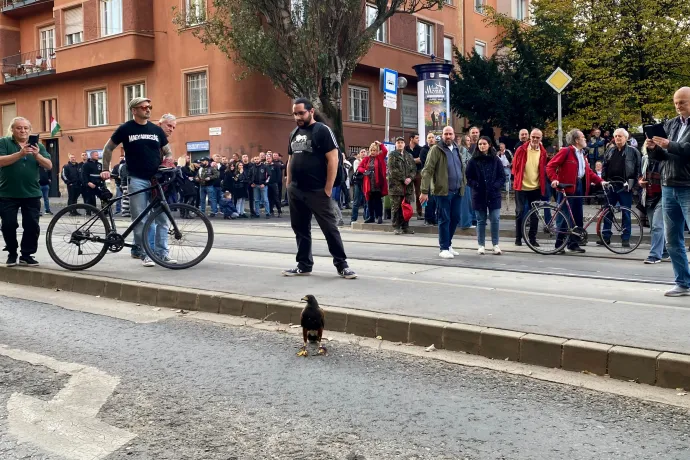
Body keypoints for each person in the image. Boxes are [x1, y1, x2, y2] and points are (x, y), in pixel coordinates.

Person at [282, 98, 356, 279]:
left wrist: (328, 188)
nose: (298, 117)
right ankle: (304, 265)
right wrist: (289, 182)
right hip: (296, 190)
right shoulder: (294, 133)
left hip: (317, 190)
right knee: (300, 228)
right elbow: (290, 159)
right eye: (295, 113)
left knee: (329, 228)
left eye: (301, 113)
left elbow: (333, 159)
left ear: (311, 111)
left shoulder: (322, 131)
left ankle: (342, 265)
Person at [100, 96, 176, 267]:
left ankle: (162, 254)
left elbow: (168, 152)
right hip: (137, 179)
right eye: (143, 107)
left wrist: (168, 160)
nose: (148, 109)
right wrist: (105, 168)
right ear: (134, 110)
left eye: (149, 106)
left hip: (157, 180)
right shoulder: (125, 129)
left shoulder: (156, 131)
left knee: (162, 218)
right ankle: (144, 253)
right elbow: (108, 148)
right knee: (140, 219)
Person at [645, 86, 690, 296]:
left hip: (688, 186)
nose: (678, 106)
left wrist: (669, 144)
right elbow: (662, 157)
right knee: (673, 239)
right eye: (676, 102)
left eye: (682, 102)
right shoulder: (671, 124)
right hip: (668, 185)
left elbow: (686, 150)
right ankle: (682, 283)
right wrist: (653, 149)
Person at [0, 117, 52, 266]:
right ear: (12, 129)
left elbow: (48, 165)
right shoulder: (4, 142)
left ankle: (26, 255)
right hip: (7, 193)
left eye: (25, 128)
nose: (22, 131)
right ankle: (12, 252)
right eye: (19, 128)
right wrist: (20, 154)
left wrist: (36, 155)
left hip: (32, 193)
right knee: (8, 225)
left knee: (32, 226)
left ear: (30, 130)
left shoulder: (38, 145)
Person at [547, 129, 606, 254]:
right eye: (583, 137)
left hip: (578, 185)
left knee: (577, 216)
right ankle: (559, 245)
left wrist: (600, 181)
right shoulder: (566, 151)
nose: (586, 139)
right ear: (577, 140)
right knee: (564, 217)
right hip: (566, 187)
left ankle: (573, 243)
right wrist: (554, 180)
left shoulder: (582, 154)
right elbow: (550, 166)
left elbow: (588, 172)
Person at [420, 126, 466, 260]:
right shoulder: (436, 149)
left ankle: (449, 244)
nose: (448, 136)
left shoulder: (456, 149)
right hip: (442, 191)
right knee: (444, 219)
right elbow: (427, 170)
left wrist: (463, 184)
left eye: (450, 134)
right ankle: (444, 248)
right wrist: (424, 191)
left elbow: (460, 169)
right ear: (442, 136)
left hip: (457, 190)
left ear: (454, 135)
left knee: (455, 218)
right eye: (446, 134)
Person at [598, 128, 641, 247]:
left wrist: (634, 185)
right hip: (611, 185)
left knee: (626, 213)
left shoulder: (633, 151)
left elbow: (638, 169)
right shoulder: (610, 150)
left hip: (625, 186)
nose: (617, 138)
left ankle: (625, 238)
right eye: (616, 136)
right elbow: (604, 167)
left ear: (626, 138)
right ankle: (605, 237)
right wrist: (604, 181)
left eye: (620, 136)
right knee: (608, 212)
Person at [466, 136, 505, 255]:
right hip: (479, 195)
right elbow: (468, 177)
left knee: (495, 219)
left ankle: (495, 244)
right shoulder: (473, 160)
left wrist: (496, 185)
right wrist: (476, 185)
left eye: (484, 144)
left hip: (494, 194)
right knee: (480, 220)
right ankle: (481, 244)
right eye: (480, 144)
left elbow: (502, 177)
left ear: (489, 145)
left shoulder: (496, 160)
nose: (482, 146)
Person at [512, 129, 548, 246]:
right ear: (530, 137)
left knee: (535, 214)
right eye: (533, 137)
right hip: (521, 187)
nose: (535, 139)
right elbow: (515, 167)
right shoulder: (521, 149)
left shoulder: (543, 152)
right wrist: (517, 179)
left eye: (538, 137)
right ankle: (518, 238)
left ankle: (532, 238)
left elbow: (543, 169)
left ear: (541, 139)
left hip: (535, 187)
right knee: (520, 212)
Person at [639, 145, 668, 264]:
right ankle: (665, 251)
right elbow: (640, 174)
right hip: (649, 196)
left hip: (663, 195)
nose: (650, 146)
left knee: (657, 225)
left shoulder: (664, 158)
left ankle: (654, 255)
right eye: (648, 143)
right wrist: (640, 181)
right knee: (654, 227)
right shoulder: (645, 158)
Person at [387, 136, 417, 235]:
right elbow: (392, 170)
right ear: (396, 144)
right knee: (396, 207)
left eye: (402, 142)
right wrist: (403, 178)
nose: (400, 144)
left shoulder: (409, 156)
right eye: (398, 142)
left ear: (404, 144)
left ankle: (405, 226)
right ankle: (396, 226)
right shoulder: (392, 155)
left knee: (406, 207)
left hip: (407, 187)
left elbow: (414, 169)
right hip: (396, 187)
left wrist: (410, 178)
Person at [359, 141, 388, 224]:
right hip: (368, 183)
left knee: (377, 200)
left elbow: (385, 151)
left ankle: (379, 216)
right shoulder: (366, 159)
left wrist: (380, 144)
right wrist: (365, 170)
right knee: (370, 200)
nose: (373, 152)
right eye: (371, 150)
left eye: (374, 150)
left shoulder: (380, 157)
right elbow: (360, 167)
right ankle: (371, 216)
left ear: (377, 151)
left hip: (377, 183)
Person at [404, 132, 424, 220]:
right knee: (408, 193)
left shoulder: (420, 149)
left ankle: (419, 213)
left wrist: (410, 160)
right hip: (408, 173)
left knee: (419, 193)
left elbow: (421, 159)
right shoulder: (405, 148)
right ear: (411, 139)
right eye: (416, 138)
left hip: (418, 172)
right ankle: (407, 212)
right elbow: (404, 160)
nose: (418, 140)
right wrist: (414, 160)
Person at [420, 132, 437, 226]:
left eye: (432, 137)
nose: (431, 139)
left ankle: (433, 218)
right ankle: (427, 218)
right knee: (428, 198)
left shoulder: (437, 149)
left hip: (436, 177)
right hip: (427, 177)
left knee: (434, 199)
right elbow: (426, 163)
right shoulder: (424, 150)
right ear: (427, 140)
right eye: (429, 137)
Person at [350, 149, 368, 223]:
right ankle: (353, 218)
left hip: (366, 183)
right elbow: (358, 170)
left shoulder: (368, 161)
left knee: (366, 201)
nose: (363, 153)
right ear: (359, 154)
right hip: (358, 183)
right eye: (361, 152)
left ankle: (366, 217)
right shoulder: (357, 161)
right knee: (356, 201)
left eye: (364, 152)